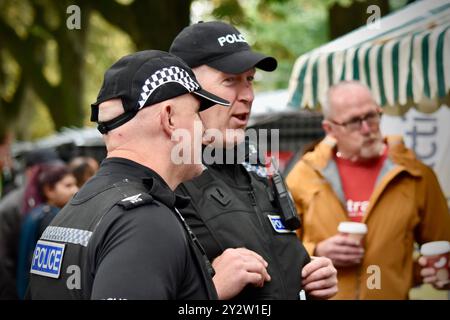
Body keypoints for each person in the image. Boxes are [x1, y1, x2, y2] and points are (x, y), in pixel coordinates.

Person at [27, 50, 230, 300]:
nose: (206, 132)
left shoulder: (77, 208)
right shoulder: (145, 223)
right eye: (197, 114)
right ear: (169, 119)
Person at [170, 21, 338, 300]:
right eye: (230, 80)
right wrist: (210, 291)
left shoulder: (261, 169)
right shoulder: (163, 180)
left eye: (249, 79)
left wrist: (313, 280)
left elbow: (280, 269)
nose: (248, 95)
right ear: (186, 91)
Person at [286, 80, 450, 299]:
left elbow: (439, 248)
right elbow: (281, 250)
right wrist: (317, 251)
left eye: (372, 116)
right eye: (354, 121)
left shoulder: (415, 174)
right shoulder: (304, 174)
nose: (367, 129)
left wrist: (433, 271)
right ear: (330, 129)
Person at [0, 148, 62, 299]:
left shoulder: (56, 200)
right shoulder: (13, 205)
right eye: (45, 169)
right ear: (30, 172)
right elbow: (4, 259)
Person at [17, 164, 78, 298]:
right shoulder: (52, 218)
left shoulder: (35, 213)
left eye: (75, 184)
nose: (75, 190)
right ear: (49, 190)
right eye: (67, 186)